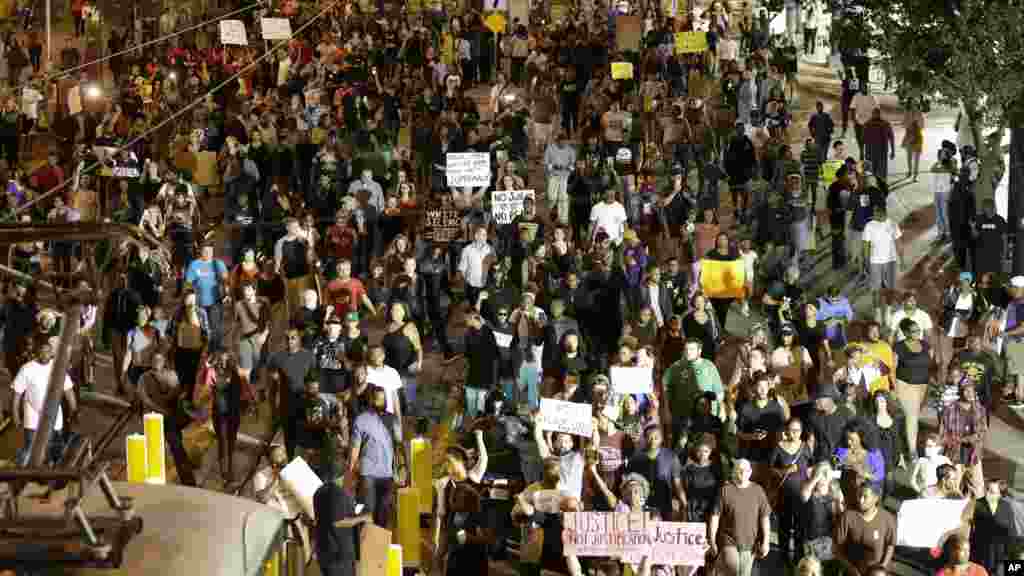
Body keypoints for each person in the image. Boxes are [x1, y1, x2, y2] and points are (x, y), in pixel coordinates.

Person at [346, 385, 405, 529]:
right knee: (370, 513)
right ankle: (367, 547)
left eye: (382, 398)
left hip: (387, 474)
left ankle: (377, 547)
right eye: (378, 398)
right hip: (368, 475)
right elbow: (354, 451)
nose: (380, 400)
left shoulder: (391, 419)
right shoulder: (361, 420)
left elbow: (399, 445)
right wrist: (351, 474)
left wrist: (403, 470)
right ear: (370, 400)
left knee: (382, 514)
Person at [11, 338, 77, 466]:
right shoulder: (27, 369)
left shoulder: (58, 368)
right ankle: (22, 471)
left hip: (54, 417)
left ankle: (49, 474)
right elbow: (17, 394)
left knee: (55, 451)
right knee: (30, 450)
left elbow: (69, 391)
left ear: (52, 353)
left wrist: (74, 410)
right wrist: (15, 415)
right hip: (32, 416)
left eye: (48, 352)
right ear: (36, 353)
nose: (45, 355)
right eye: (42, 352)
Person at [707, 458, 771, 576]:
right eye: (739, 470)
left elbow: (765, 518)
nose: (742, 473)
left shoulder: (758, 490)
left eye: (746, 470)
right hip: (728, 540)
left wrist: (766, 542)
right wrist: (712, 540)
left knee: (744, 573)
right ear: (734, 471)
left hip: (750, 542)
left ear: (750, 472)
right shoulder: (725, 490)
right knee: (734, 570)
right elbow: (715, 517)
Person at [833, 483, 896, 576]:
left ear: (875, 498)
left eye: (865, 497)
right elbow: (836, 549)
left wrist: (882, 568)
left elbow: (890, 545)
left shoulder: (887, 518)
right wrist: (851, 568)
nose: (860, 500)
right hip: (854, 571)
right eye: (859, 495)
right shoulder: (847, 517)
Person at [185, 240, 229, 352]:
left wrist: (227, 291)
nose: (208, 253)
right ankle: (203, 348)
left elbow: (226, 279)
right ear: (201, 251)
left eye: (210, 251)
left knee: (216, 326)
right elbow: (188, 282)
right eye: (205, 251)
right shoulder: (194, 264)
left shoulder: (219, 263)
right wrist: (189, 294)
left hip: (215, 300)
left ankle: (216, 348)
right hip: (199, 302)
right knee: (202, 327)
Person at [970, 478, 1015, 575]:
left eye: (992, 492)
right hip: (980, 554)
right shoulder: (977, 504)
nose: (988, 494)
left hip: (1000, 556)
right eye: (987, 490)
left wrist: (1010, 555)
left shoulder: (1006, 506)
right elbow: (969, 529)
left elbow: (1011, 532)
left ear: (1000, 493)